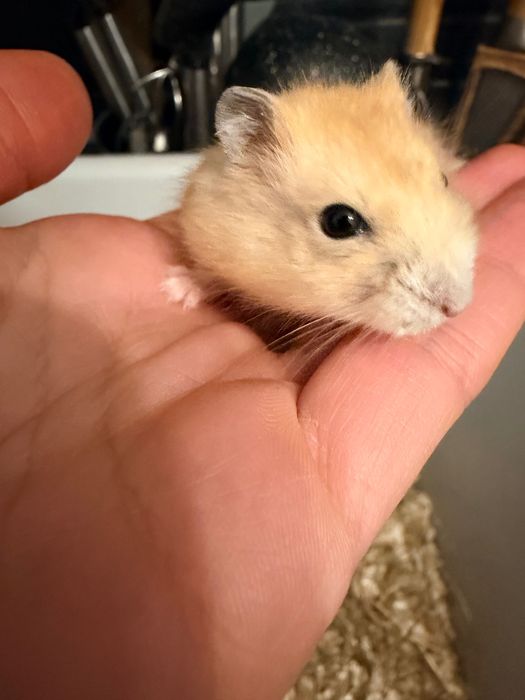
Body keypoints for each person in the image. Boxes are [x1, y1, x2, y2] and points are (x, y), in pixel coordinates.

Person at [0, 50, 524, 700]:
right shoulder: (240, 190)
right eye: (341, 224)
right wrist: (207, 278)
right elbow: (208, 225)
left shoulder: (402, 143)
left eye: (440, 184)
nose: (451, 297)